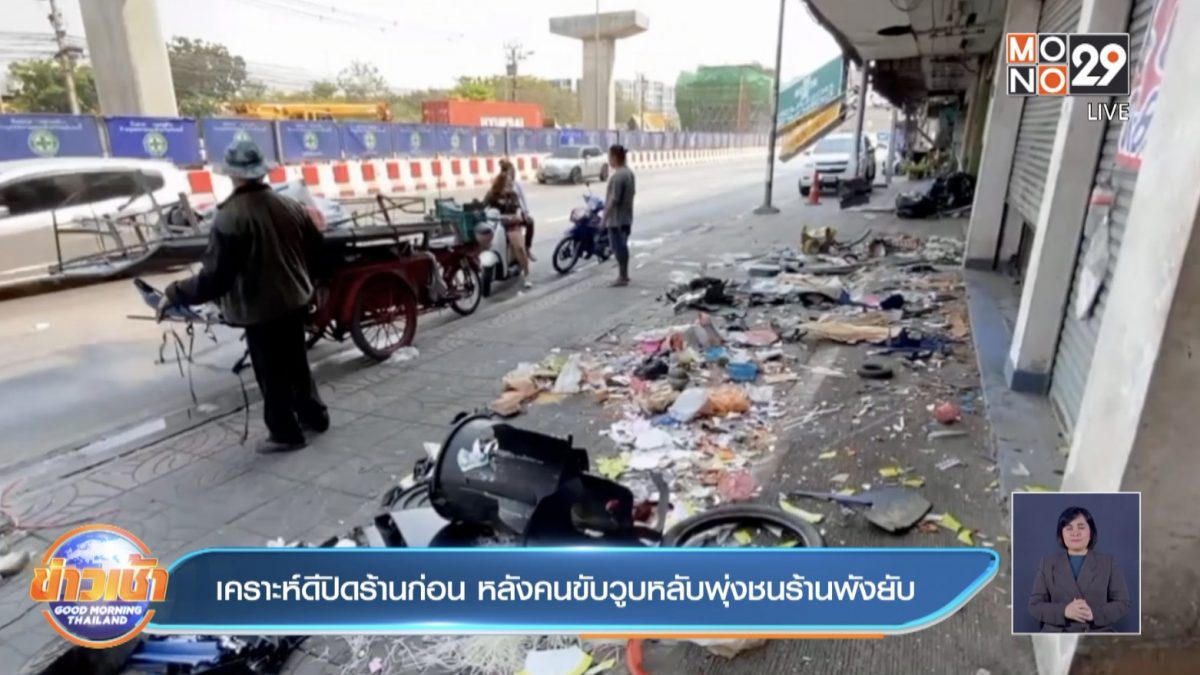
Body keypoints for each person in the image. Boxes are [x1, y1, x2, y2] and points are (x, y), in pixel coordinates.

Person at [158, 139, 329, 454]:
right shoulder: (290, 206)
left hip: (260, 309)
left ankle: (285, 433)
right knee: (297, 364)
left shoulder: (230, 216)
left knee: (271, 373)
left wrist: (175, 292)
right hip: (294, 300)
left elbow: (215, 278)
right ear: (262, 172)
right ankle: (314, 417)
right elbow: (318, 253)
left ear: (232, 175)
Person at [1028, 506, 1131, 633]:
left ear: (1091, 533)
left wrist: (1094, 614)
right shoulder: (1047, 564)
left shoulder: (1108, 563)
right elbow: (1034, 606)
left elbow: (1122, 603)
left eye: (1081, 527)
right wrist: (1064, 611)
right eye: (1069, 528)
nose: (1075, 533)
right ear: (1061, 533)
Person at [483, 171, 532, 289]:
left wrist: (518, 216)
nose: (510, 185)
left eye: (511, 183)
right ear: (500, 184)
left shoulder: (513, 195)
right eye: (507, 183)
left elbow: (518, 209)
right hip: (495, 224)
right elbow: (482, 207)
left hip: (511, 224)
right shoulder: (491, 195)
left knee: (519, 247)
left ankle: (526, 275)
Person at [602, 144, 635, 286]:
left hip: (617, 220)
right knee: (623, 247)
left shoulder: (618, 176)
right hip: (626, 218)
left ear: (614, 157)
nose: (609, 159)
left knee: (618, 249)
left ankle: (622, 277)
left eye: (609, 156)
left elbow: (614, 199)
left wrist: (604, 218)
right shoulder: (629, 173)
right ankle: (624, 275)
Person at [499, 159, 536, 261]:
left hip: (516, 215)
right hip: (502, 216)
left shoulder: (516, 186)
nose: (511, 175)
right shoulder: (498, 184)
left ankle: (527, 249)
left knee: (530, 222)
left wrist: (525, 212)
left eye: (513, 172)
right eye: (509, 172)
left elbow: (522, 200)